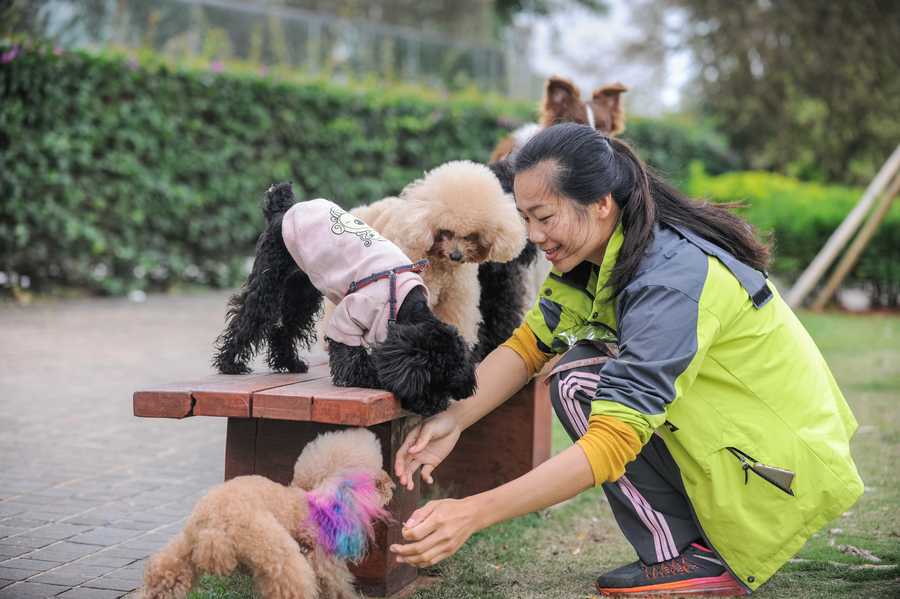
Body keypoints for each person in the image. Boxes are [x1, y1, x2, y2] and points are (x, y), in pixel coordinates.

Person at [388, 123, 864, 598]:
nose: (533, 236)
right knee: (577, 369)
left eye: (544, 217)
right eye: (524, 218)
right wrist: (453, 420)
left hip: (775, 472)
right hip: (757, 449)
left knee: (577, 381)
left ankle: (687, 554)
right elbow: (529, 345)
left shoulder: (668, 279)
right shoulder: (600, 252)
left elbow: (612, 444)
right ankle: (694, 541)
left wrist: (474, 512)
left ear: (601, 202)